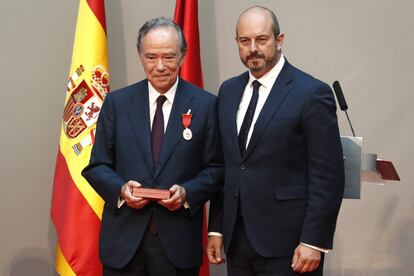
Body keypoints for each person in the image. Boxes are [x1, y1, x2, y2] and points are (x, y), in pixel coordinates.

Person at [207, 6, 344, 275]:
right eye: (245, 41)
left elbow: (328, 174)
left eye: (262, 39)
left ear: (279, 40)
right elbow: (226, 166)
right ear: (237, 43)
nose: (253, 48)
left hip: (290, 245)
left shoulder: (311, 93)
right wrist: (217, 227)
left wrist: (314, 240)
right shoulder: (229, 90)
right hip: (237, 242)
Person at [82, 17, 223, 276]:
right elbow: (97, 166)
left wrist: (187, 193)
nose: (160, 66)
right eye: (151, 57)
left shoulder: (206, 105)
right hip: (123, 244)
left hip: (178, 245)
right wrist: (121, 190)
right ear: (140, 56)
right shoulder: (117, 103)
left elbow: (216, 169)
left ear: (182, 56)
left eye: (169, 57)